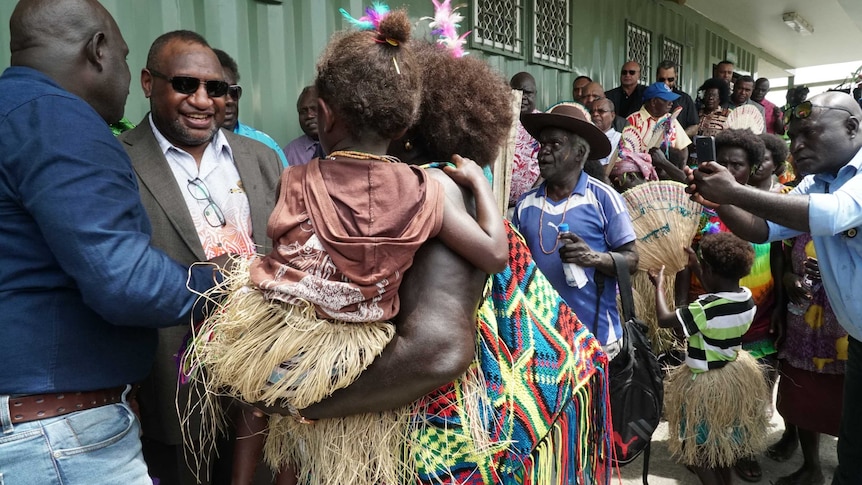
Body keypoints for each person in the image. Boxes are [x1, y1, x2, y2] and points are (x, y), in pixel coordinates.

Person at [186, 9, 508, 485]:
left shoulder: (297, 177)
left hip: (288, 345)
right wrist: (480, 186)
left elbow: (283, 248)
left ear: (325, 113)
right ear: (404, 126)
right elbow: (494, 255)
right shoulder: (433, 190)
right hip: (362, 359)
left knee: (253, 392)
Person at [0, 1, 221, 484]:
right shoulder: (58, 118)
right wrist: (227, 284)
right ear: (99, 50)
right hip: (57, 437)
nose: (124, 75)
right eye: (123, 58)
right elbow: (123, 280)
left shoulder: (10, 113)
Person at [117, 30, 283, 485]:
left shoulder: (262, 158)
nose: (203, 100)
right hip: (170, 380)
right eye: (186, 85)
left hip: (262, 379)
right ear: (149, 83)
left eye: (216, 89)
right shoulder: (119, 161)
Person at [685, 91, 862, 485]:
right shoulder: (819, 183)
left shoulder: (848, 186)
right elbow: (761, 227)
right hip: (859, 341)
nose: (796, 146)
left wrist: (732, 191)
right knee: (853, 449)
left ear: (852, 127)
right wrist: (718, 200)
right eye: (793, 135)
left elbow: (831, 216)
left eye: (808, 134)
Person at [513, 103, 638, 353]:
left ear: (580, 153)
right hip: (541, 340)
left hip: (597, 339)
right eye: (542, 145)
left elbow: (632, 260)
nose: (543, 153)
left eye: (555, 145)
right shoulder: (525, 205)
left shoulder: (604, 199)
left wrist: (592, 258)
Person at [650, 232, 768, 485]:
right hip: (732, 377)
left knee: (695, 450)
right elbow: (718, 292)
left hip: (705, 382)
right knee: (720, 444)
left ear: (710, 270)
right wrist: (696, 264)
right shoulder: (746, 298)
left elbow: (664, 319)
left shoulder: (703, 308)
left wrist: (659, 285)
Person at [767, 232, 846, 485]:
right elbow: (786, 260)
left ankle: (848, 463)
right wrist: (790, 278)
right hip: (803, 319)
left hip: (845, 326)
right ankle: (811, 467)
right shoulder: (801, 215)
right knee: (803, 389)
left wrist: (834, 272)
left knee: (846, 395)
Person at [214, 48, 288, 167]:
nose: (229, 101)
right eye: (220, 91)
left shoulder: (264, 143)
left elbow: (286, 184)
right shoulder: (194, 148)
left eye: (234, 92)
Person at [626, 81, 692, 160]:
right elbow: (625, 154)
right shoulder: (633, 121)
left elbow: (683, 148)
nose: (671, 103)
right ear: (654, 102)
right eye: (667, 99)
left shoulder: (670, 119)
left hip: (668, 170)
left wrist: (679, 170)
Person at [509, 71, 541, 210]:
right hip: (498, 202)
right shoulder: (499, 122)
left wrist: (531, 197)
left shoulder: (544, 123)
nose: (522, 97)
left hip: (533, 203)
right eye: (518, 91)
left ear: (535, 94)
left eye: (528, 93)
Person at [282, 85, 322, 167]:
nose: (309, 115)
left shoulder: (344, 146)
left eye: (314, 109)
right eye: (303, 112)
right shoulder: (289, 153)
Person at [656, 59, 698, 136]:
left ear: (676, 77)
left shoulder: (685, 99)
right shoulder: (649, 97)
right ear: (657, 77)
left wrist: (678, 138)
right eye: (662, 79)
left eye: (670, 79)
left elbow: (694, 126)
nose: (666, 83)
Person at [589, 96, 621, 166]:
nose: (595, 114)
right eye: (592, 112)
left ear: (612, 116)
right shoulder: (586, 138)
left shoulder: (620, 140)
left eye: (601, 111)